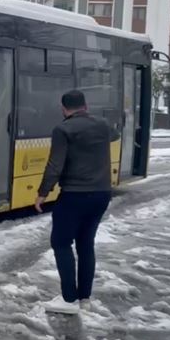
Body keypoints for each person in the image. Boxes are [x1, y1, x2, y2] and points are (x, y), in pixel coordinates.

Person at [35, 89, 114, 315]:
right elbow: (115, 134)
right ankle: (84, 298)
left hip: (75, 195)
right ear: (86, 106)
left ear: (64, 108)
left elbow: (54, 166)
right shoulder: (102, 125)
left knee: (61, 242)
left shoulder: (63, 129)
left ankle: (69, 299)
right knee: (86, 243)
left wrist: (43, 192)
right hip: (101, 194)